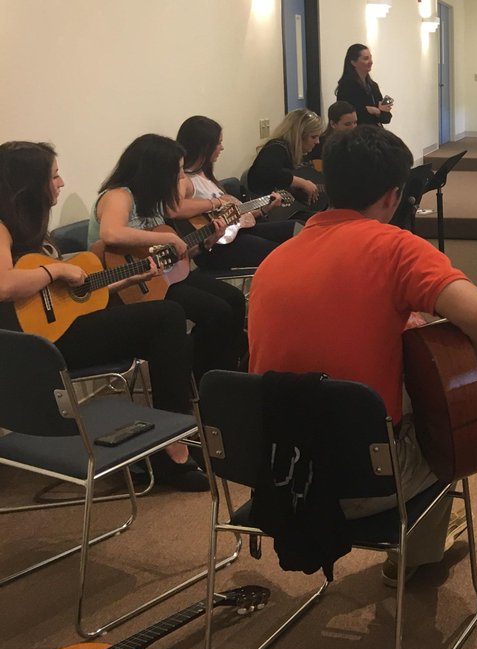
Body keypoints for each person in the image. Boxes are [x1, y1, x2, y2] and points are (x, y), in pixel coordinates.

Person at [248, 124, 477, 584]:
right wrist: (468, 377)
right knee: (449, 418)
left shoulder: (273, 260)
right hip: (363, 480)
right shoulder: (395, 247)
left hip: (276, 472)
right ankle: (416, 561)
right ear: (392, 195)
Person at [0, 141, 206, 490]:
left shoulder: (30, 228)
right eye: (54, 176)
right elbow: (4, 285)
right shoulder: (2, 226)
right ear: (28, 184)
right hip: (37, 347)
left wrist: (127, 278)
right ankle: (171, 446)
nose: (62, 183)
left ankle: (172, 434)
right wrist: (57, 272)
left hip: (60, 329)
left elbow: (71, 298)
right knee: (167, 316)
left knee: (164, 317)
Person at [90, 133, 247, 381]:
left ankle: (222, 373)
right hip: (130, 284)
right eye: (179, 171)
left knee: (235, 299)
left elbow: (177, 255)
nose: (182, 177)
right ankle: (202, 377)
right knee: (216, 312)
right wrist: (167, 238)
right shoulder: (119, 195)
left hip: (163, 276)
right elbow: (110, 233)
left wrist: (207, 242)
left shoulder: (154, 202)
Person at [175, 115, 296, 270]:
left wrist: (264, 209)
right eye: (218, 142)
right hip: (215, 246)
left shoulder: (206, 175)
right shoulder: (185, 179)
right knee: (282, 252)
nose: (222, 147)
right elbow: (176, 208)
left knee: (297, 229)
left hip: (235, 234)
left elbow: (235, 219)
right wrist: (216, 202)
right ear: (204, 146)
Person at [246, 108, 323, 203]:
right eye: (313, 137)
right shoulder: (277, 148)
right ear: (298, 136)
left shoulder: (295, 152)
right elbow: (266, 171)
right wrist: (302, 183)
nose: (317, 141)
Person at [335, 44, 393, 127]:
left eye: (370, 57)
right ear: (353, 62)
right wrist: (371, 110)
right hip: (357, 134)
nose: (371, 62)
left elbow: (386, 119)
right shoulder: (346, 86)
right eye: (366, 58)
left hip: (375, 133)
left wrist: (376, 111)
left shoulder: (373, 86)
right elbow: (346, 115)